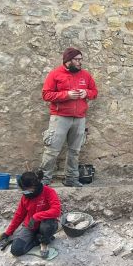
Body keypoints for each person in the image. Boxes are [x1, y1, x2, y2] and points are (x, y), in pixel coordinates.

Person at [39, 47, 99, 187]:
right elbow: (46, 95)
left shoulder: (85, 75)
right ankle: (44, 180)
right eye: (76, 60)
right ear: (68, 60)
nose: (79, 62)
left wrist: (86, 93)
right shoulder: (55, 74)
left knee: (75, 151)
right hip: (60, 117)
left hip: (79, 118)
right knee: (51, 150)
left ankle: (71, 179)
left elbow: (94, 92)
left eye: (80, 59)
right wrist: (67, 95)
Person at [0, 171, 62, 257]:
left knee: (48, 224)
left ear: (33, 186)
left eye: (25, 189)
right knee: (16, 250)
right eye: (23, 189)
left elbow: (56, 210)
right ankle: (36, 240)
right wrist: (8, 233)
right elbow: (19, 216)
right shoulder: (25, 197)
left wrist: (36, 216)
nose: (24, 191)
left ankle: (44, 242)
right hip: (30, 226)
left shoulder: (49, 192)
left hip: (46, 224)